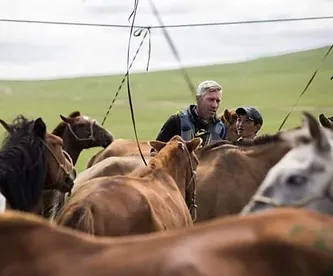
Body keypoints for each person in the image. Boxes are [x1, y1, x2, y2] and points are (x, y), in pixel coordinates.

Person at [152, 80, 227, 149]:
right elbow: (154, 152)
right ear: (198, 99)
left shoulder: (220, 128)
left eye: (218, 101)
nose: (215, 105)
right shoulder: (177, 121)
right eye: (211, 100)